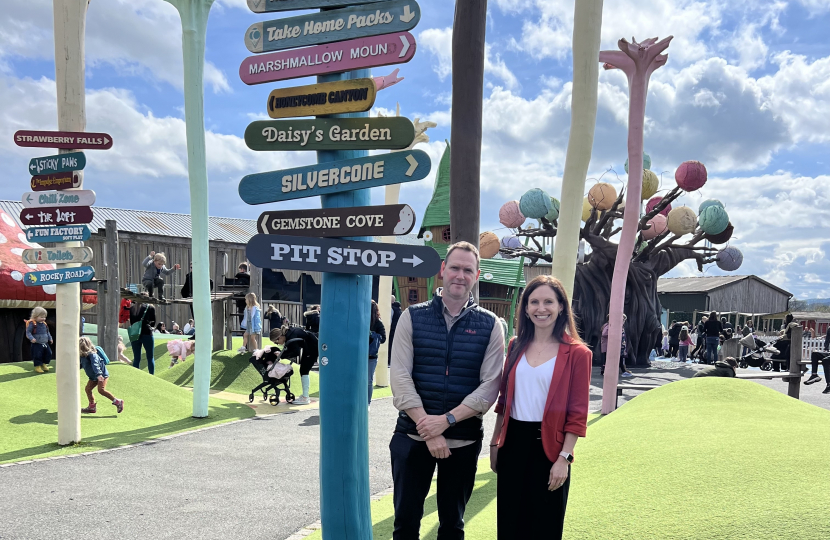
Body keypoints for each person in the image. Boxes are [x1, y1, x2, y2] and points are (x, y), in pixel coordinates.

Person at [389, 241, 504, 539]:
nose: (460, 275)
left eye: (467, 270)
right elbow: (400, 378)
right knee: (405, 524)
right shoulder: (412, 316)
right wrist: (430, 430)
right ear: (443, 270)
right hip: (412, 437)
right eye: (454, 267)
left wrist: (446, 421)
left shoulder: (491, 325)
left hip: (463, 440)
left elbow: (490, 386)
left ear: (477, 275)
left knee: (452, 526)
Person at [489, 275, 591, 540]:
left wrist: (564, 458)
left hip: (550, 451)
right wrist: (494, 443)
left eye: (548, 302)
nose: (541, 308)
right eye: (534, 302)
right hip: (512, 445)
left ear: (561, 306)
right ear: (525, 308)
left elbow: (578, 414)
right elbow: (504, 401)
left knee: (545, 527)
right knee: (510, 525)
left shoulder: (578, 354)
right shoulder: (515, 345)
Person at [270, 324, 318, 405]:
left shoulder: (291, 337)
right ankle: (305, 396)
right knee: (303, 370)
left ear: (279, 337)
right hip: (310, 345)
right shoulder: (290, 333)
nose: (277, 344)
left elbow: (295, 352)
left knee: (304, 370)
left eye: (276, 342)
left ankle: (305, 397)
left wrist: (281, 355)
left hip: (312, 347)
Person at [79, 337, 124, 414]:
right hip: (93, 377)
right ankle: (92, 406)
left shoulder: (92, 355)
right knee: (88, 389)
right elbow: (81, 365)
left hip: (101, 375)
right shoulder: (82, 356)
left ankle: (118, 402)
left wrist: (99, 374)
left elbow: (95, 364)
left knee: (101, 390)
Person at [368, 299, 387, 407]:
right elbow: (383, 339)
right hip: (372, 355)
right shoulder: (379, 322)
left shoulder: (376, 322)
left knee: (366, 380)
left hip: (364, 355)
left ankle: (366, 403)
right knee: (368, 380)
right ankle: (367, 403)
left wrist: (372, 334)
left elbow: (383, 338)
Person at [129, 301, 156, 374]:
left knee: (136, 358)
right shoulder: (150, 307)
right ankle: (151, 375)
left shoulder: (132, 308)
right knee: (150, 357)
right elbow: (153, 322)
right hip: (147, 333)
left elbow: (131, 322)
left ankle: (136, 376)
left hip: (135, 334)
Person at [26, 306, 53, 373]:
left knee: (48, 353)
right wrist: (31, 338)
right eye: (41, 317)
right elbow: (28, 332)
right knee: (37, 355)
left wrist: (50, 338)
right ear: (35, 316)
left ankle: (44, 363)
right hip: (37, 343)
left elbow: (47, 332)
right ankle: (37, 366)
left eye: (44, 317)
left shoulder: (44, 324)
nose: (43, 319)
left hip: (45, 342)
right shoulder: (32, 324)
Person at [389, 294, 402, 367]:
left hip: (392, 329)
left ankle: (389, 360)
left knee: (389, 345)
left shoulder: (391, 309)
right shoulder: (399, 309)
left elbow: (390, 320)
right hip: (397, 329)